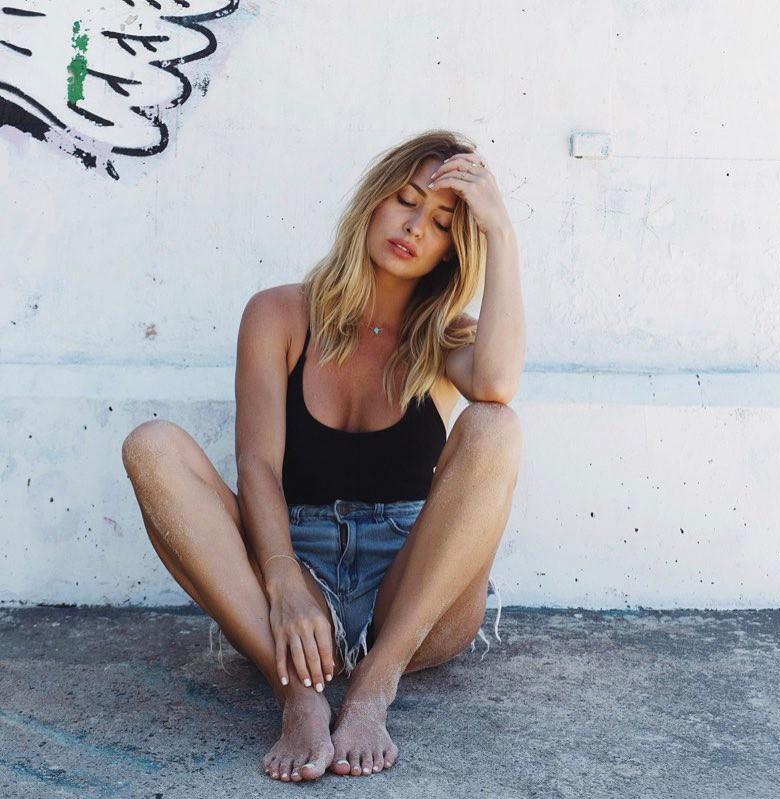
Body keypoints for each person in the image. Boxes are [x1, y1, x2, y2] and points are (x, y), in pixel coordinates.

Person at [121, 129, 525, 782]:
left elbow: (499, 384)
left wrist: (500, 230)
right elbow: (257, 464)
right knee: (151, 445)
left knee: (494, 425)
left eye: (442, 223)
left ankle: (373, 686)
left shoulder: (447, 336)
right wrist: (281, 580)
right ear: (374, 200)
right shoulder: (279, 314)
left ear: (455, 249)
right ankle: (299, 695)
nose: (414, 227)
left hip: (413, 589)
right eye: (406, 201)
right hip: (295, 563)